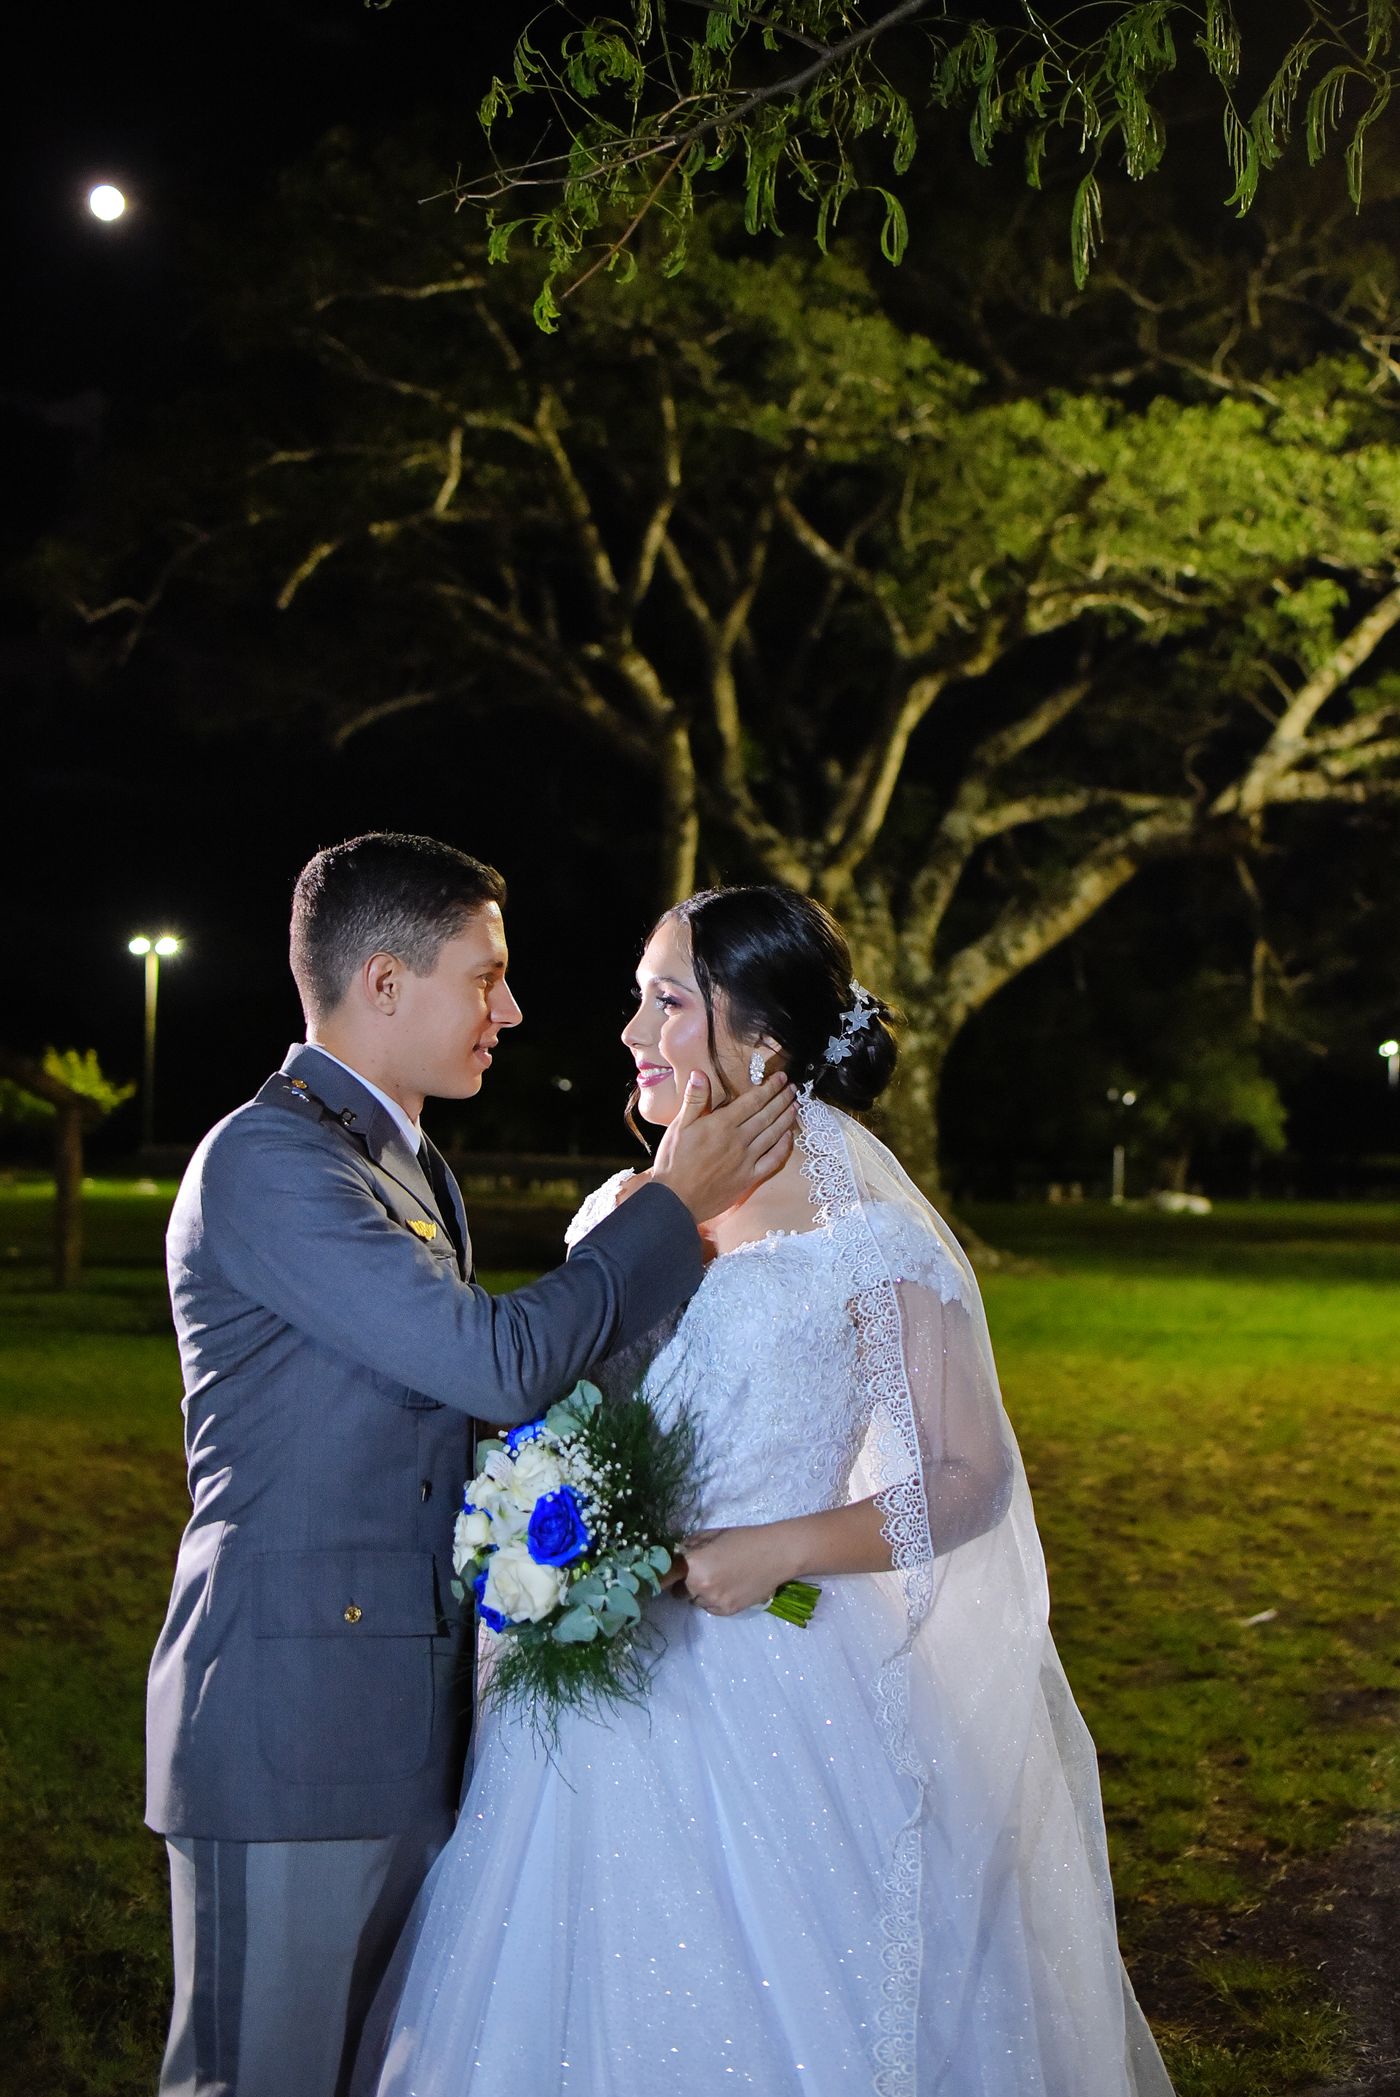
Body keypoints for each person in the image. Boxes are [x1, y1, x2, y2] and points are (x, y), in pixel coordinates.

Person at [359, 881, 1177, 2097]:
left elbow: (966, 1477)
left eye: (667, 1003)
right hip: (592, 1684)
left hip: (782, 1675)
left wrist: (778, 1548)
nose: (632, 1034)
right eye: (637, 1001)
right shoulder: (619, 1213)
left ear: (765, 1041)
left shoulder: (863, 1236)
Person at [146, 834, 796, 2097]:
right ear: (385, 983)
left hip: (401, 1710)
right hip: (291, 1723)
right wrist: (670, 1206)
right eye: (484, 977)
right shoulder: (270, 1160)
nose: (511, 1010)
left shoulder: (402, 1159)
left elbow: (461, 1412)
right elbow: (494, 1366)